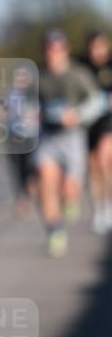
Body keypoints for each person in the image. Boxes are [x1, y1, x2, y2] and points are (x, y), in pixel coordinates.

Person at [35, 29, 103, 257]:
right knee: (45, 182)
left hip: (73, 136)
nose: (53, 54)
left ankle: (69, 201)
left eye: (57, 49)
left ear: (65, 50)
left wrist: (79, 115)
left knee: (69, 189)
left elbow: (97, 101)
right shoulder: (40, 76)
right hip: (48, 136)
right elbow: (27, 104)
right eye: (49, 50)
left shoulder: (78, 74)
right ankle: (54, 231)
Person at [81, 29, 112, 233]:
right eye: (93, 47)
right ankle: (98, 208)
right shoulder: (83, 67)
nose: (96, 51)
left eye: (100, 46)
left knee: (104, 159)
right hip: (88, 122)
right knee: (92, 167)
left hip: (108, 120)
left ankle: (108, 204)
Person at [4, 63, 40, 217]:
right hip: (14, 135)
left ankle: (28, 196)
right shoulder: (10, 94)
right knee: (17, 169)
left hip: (31, 136)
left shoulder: (35, 93)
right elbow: (4, 112)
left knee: (30, 168)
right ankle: (22, 198)